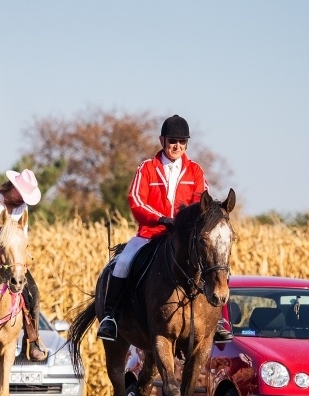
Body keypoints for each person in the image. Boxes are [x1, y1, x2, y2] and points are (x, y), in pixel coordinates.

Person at [96, 115, 234, 344]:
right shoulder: (147, 168)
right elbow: (136, 201)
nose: (177, 146)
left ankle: (217, 320)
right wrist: (160, 219)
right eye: (172, 140)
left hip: (184, 238)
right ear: (162, 140)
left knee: (215, 263)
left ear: (187, 143)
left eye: (182, 141)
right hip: (151, 233)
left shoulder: (196, 171)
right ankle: (110, 317)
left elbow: (204, 204)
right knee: (122, 263)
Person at [0, 168, 47, 361]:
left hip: (12, 258)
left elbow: (24, 234)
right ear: (13, 187)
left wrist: (15, 249)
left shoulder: (22, 208)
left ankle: (32, 339)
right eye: (22, 194)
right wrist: (2, 244)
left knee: (32, 291)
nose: (23, 199)